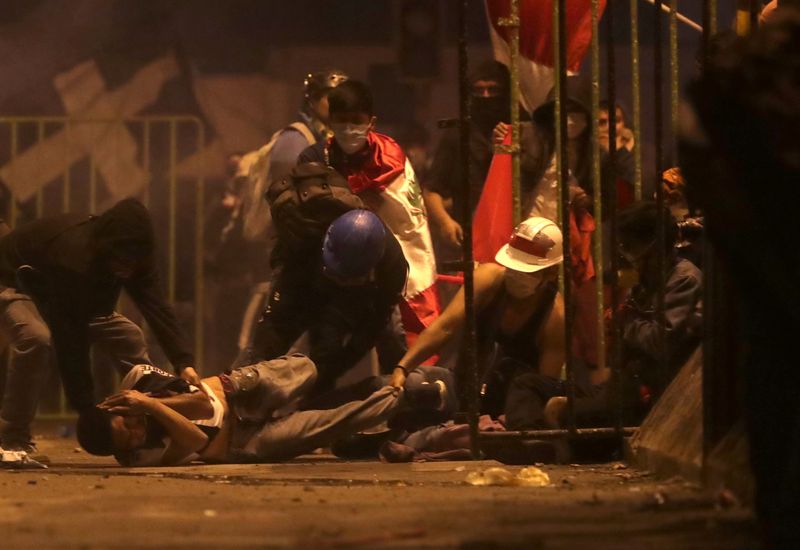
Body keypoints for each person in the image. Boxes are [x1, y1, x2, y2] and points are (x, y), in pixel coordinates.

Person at [680, 9, 800, 545]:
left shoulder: (736, 74)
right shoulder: (747, 74)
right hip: (763, 224)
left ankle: (777, 504)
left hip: (754, 227)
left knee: (771, 355)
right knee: (774, 355)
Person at [0, 199, 199, 452]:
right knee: (36, 339)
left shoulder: (136, 256)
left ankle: (153, 416)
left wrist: (183, 362)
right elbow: (70, 339)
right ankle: (12, 440)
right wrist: (86, 408)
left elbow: (156, 306)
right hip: (14, 282)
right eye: (119, 261)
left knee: (129, 336)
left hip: (67, 299)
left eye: (131, 263)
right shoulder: (74, 257)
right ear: (106, 248)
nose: (125, 270)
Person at [76, 355, 452, 466]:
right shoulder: (135, 456)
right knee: (329, 426)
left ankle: (373, 389)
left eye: (127, 423)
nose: (135, 432)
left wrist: (149, 402)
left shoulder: (140, 381)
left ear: (114, 405)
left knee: (307, 367)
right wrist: (152, 410)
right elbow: (191, 440)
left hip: (236, 392)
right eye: (128, 439)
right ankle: (405, 394)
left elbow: (203, 404)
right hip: (244, 443)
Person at [390, 216, 571, 430]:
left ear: (551, 273)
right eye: (514, 267)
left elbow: (540, 389)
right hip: (460, 389)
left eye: (526, 271)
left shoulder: (554, 318)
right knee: (409, 388)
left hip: (506, 412)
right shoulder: (488, 280)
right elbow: (444, 327)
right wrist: (403, 368)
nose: (516, 275)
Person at [298, 79, 440, 344]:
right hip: (331, 274)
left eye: (356, 120)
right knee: (323, 355)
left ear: (371, 122)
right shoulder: (314, 158)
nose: (350, 128)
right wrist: (354, 202)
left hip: (385, 276)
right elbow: (308, 213)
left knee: (397, 350)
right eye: (342, 121)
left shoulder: (390, 161)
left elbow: (407, 224)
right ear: (330, 121)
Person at [234, 70, 348, 365]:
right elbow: (286, 201)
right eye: (328, 98)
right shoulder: (295, 140)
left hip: (317, 251)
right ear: (311, 100)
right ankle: (234, 396)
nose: (335, 104)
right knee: (274, 338)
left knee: (312, 338)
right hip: (294, 251)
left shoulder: (329, 137)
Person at [251, 202, 409, 395]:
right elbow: (277, 319)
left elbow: (369, 332)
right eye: (335, 274)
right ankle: (237, 398)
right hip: (308, 275)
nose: (339, 280)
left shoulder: (393, 269)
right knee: (267, 342)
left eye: (345, 277)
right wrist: (255, 370)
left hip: (358, 296)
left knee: (334, 351)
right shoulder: (308, 238)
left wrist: (331, 370)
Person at [423, 60, 513, 251]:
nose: (486, 97)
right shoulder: (458, 135)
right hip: (470, 238)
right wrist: (445, 222)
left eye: (492, 90)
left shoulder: (523, 131)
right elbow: (432, 189)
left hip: (514, 235)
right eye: (479, 91)